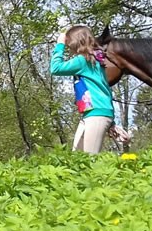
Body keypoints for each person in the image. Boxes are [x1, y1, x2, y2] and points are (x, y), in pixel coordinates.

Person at [50, 26, 116, 154]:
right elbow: (105, 89)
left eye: (69, 44)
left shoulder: (82, 60)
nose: (69, 48)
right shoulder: (96, 60)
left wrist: (60, 45)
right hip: (95, 113)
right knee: (78, 159)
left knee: (89, 161)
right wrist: (111, 121)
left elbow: (55, 68)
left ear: (75, 42)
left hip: (96, 114)